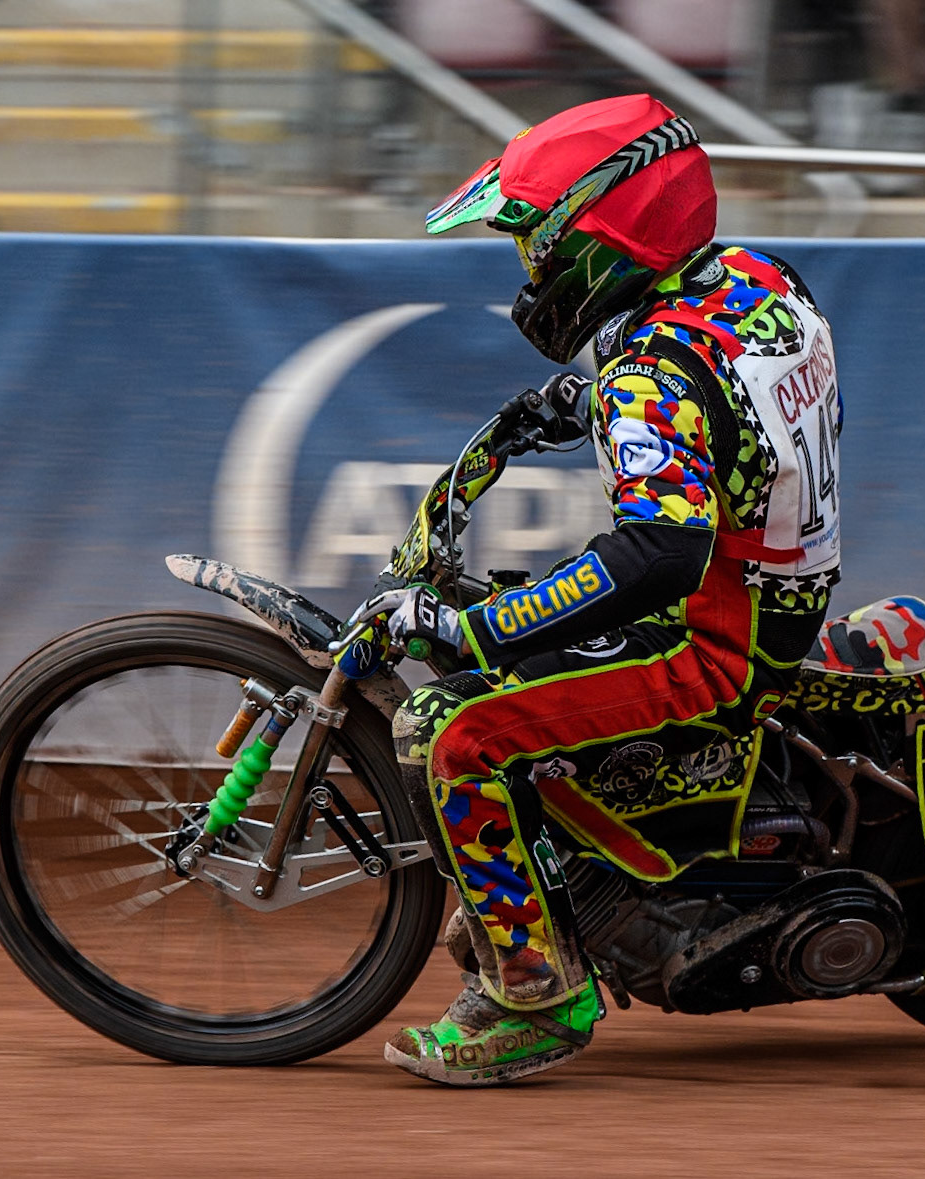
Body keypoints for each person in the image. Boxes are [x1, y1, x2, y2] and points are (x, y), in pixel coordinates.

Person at [336, 94, 843, 1086]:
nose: (527, 275)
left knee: (455, 733)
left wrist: (466, 626)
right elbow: (716, 390)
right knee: (517, 629)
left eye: (537, 250)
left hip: (717, 638)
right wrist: (559, 409)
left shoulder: (649, 371)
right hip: (777, 587)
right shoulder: (752, 279)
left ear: (600, 242)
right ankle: (565, 883)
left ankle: (535, 998)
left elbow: (657, 552)